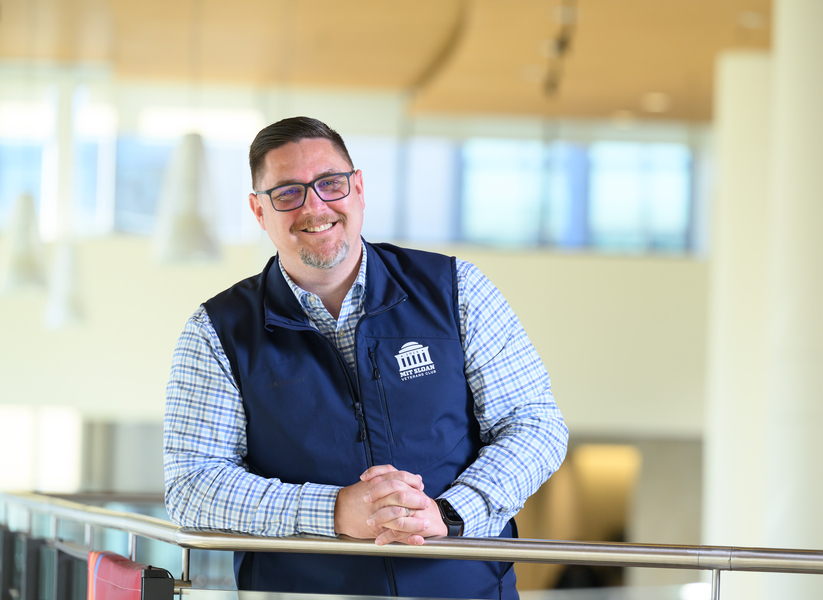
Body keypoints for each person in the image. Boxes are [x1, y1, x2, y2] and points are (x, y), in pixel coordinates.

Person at [163, 116, 568, 598]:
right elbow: (192, 486)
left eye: (329, 184)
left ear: (358, 188)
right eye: (288, 193)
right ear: (258, 211)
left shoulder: (456, 290)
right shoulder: (215, 332)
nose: (315, 207)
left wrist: (451, 513)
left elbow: (535, 424)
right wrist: (334, 511)